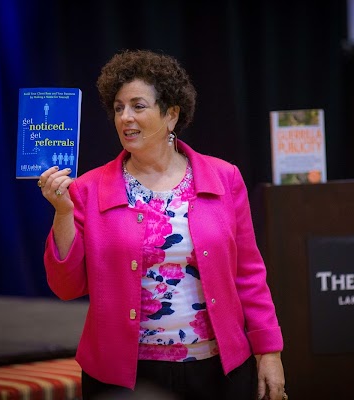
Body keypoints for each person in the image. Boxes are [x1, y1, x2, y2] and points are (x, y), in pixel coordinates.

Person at [38, 49, 287, 400]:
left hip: (219, 371)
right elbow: (66, 287)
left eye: (138, 106)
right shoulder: (88, 189)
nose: (125, 117)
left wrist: (269, 351)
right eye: (118, 108)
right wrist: (63, 213)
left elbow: (248, 274)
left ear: (171, 114)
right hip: (125, 377)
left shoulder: (224, 177)